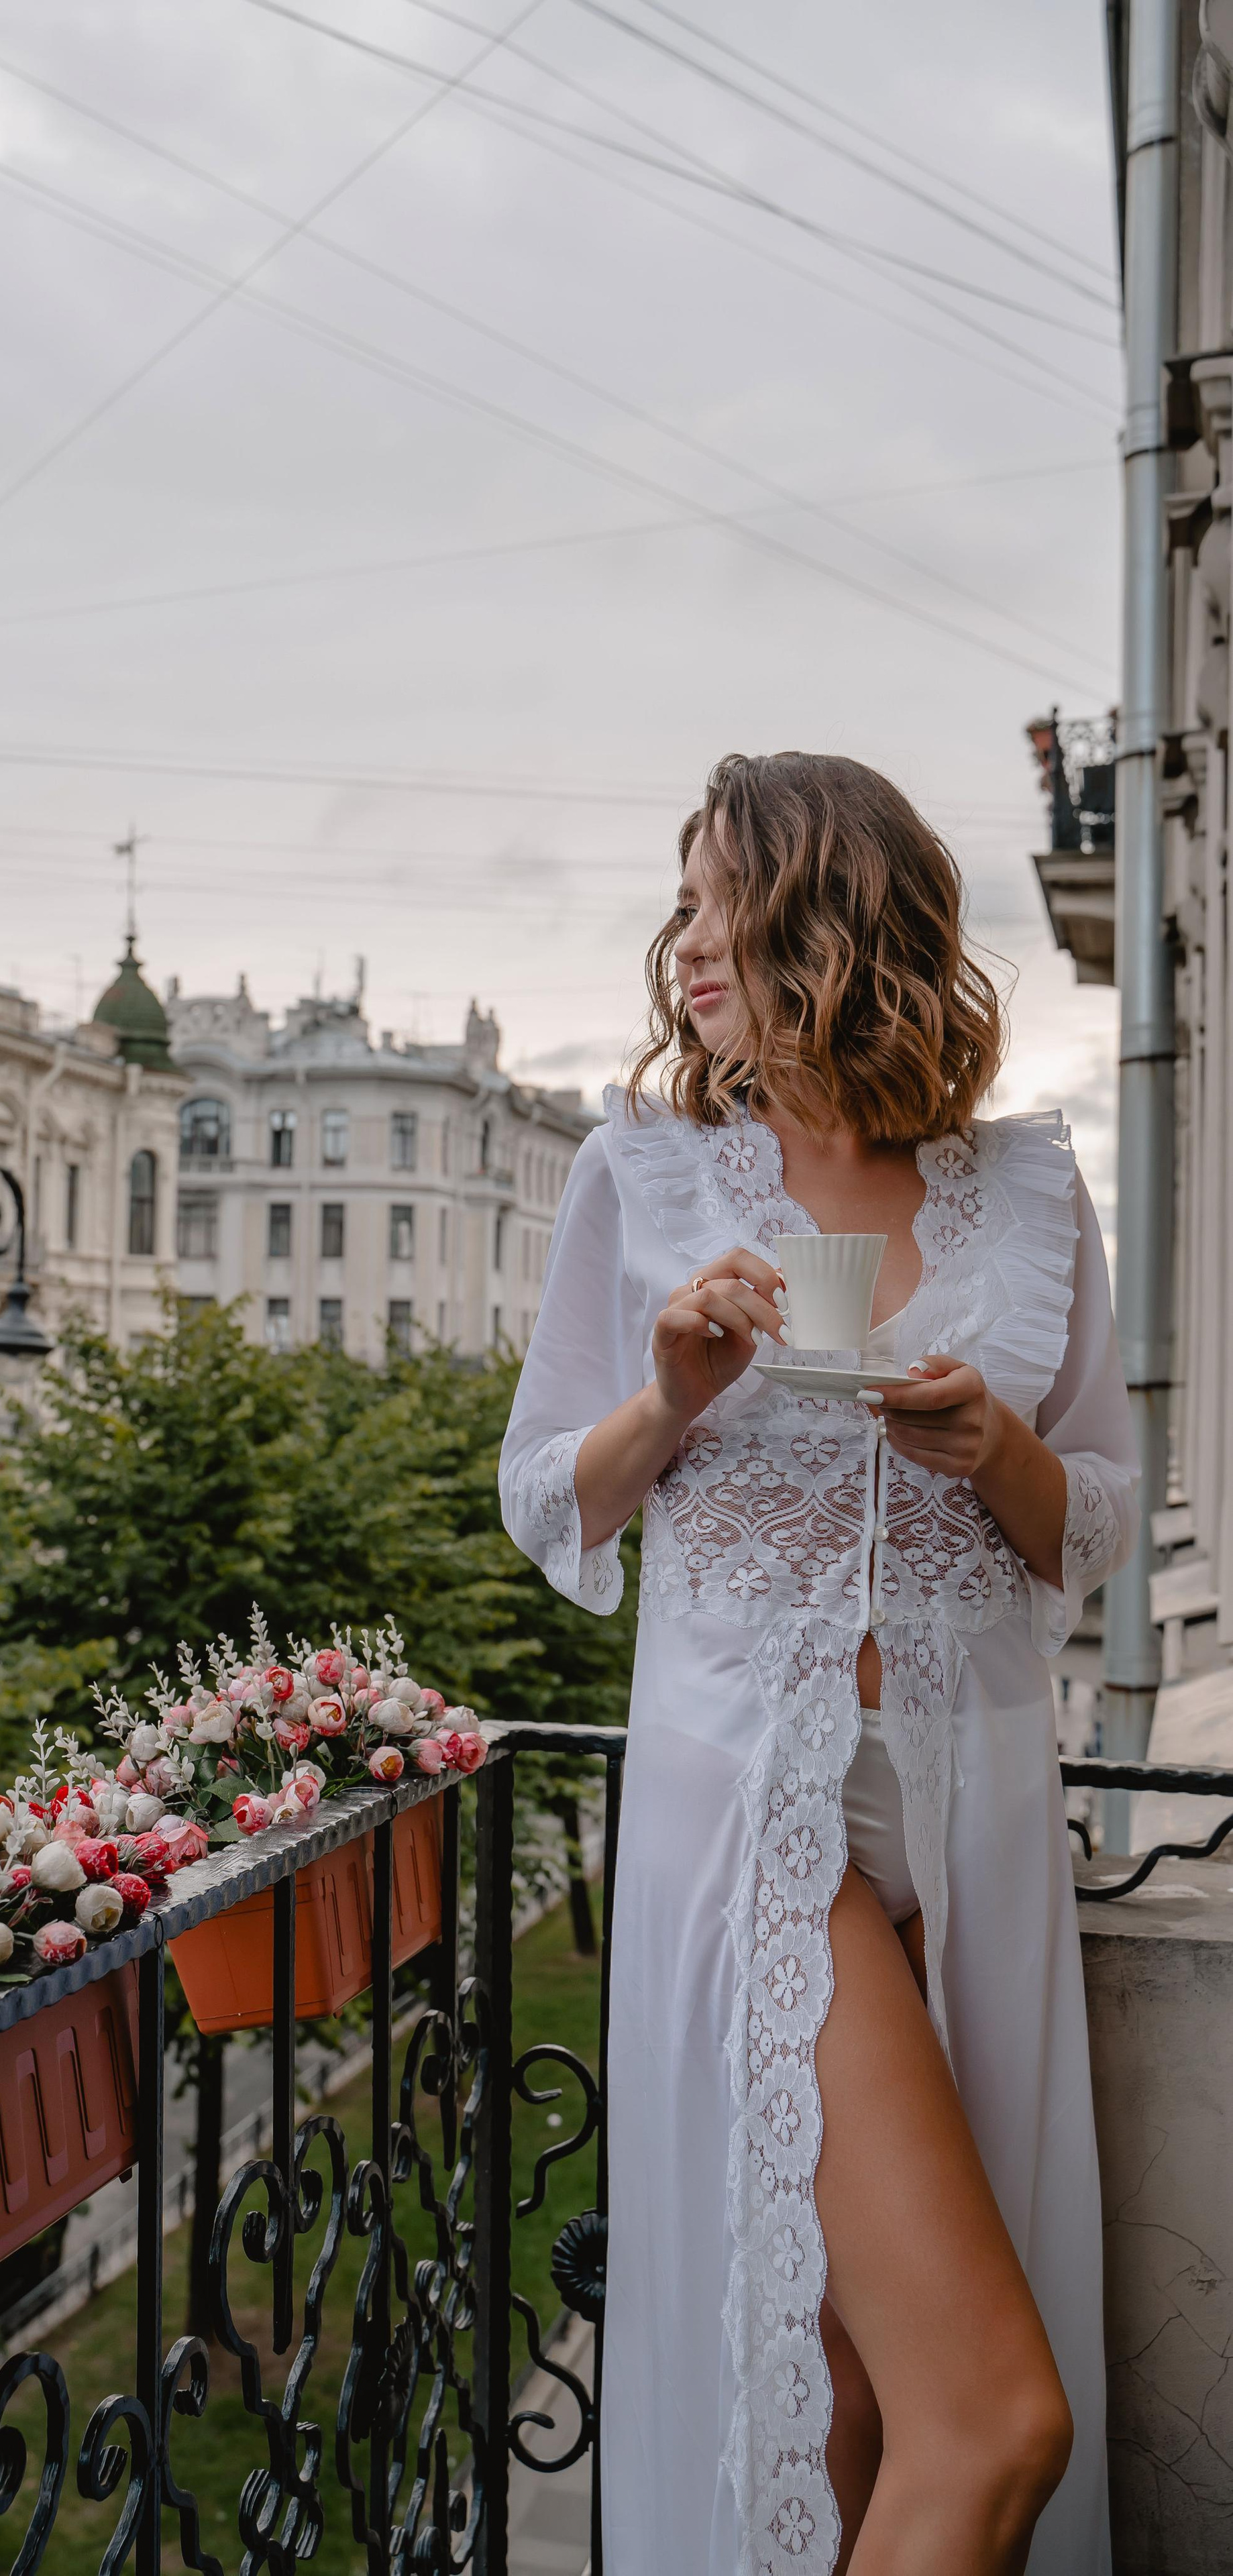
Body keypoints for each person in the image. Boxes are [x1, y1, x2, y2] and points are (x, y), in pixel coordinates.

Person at [500, 751, 1136, 2575]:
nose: (686, 944)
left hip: (974, 1812)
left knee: (856, 2412)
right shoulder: (642, 1178)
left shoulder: (1026, 1192)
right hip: (755, 1821)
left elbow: (1090, 1510)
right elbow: (549, 1498)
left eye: (722, 904)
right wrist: (675, 1393)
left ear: (830, 926)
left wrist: (992, 1450)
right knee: (995, 2421)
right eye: (686, 907)